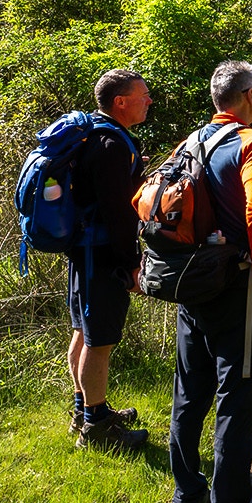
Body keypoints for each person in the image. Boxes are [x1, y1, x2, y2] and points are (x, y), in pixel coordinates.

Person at [167, 60, 252, 503]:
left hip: (190, 285)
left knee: (189, 393)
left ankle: (188, 498)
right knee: (237, 396)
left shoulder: (188, 142)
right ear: (249, 97)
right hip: (235, 287)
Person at [70, 68, 153, 451]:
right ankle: (97, 427)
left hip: (84, 251)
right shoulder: (112, 145)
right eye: (143, 94)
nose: (149, 100)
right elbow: (118, 213)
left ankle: (85, 410)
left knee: (84, 333)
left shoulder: (95, 135)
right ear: (120, 102)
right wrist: (132, 264)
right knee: (99, 340)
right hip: (102, 255)